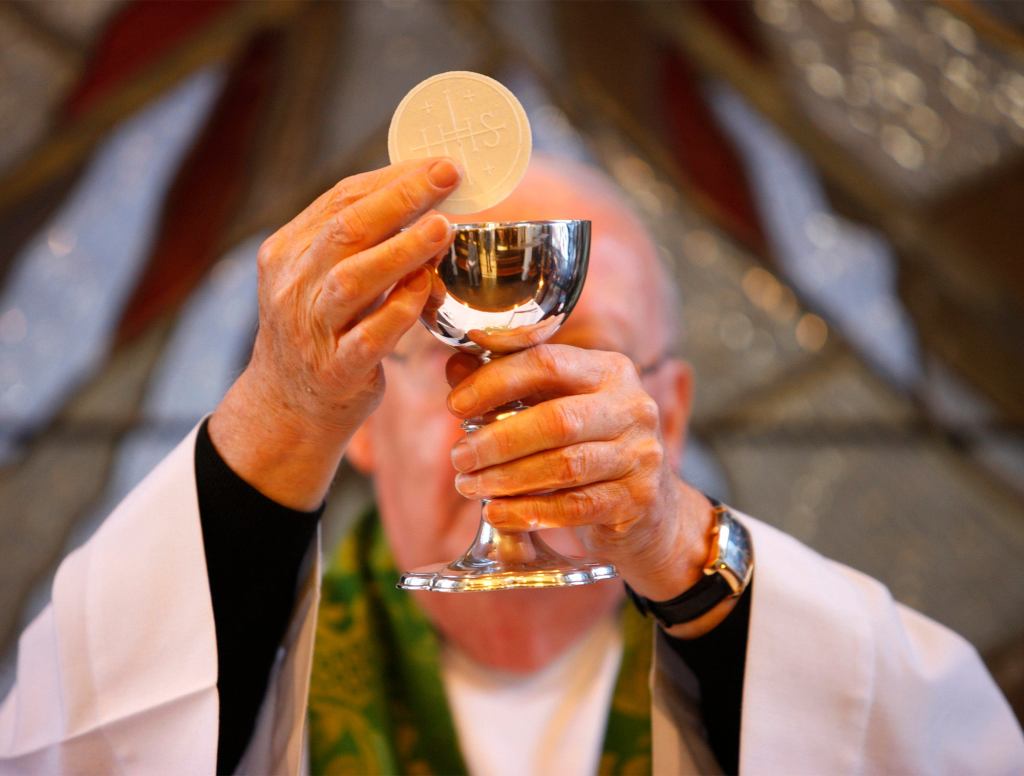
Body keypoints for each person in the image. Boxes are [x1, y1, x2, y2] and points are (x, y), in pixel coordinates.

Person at [0, 156, 1021, 775]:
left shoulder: (770, 656)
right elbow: (80, 746)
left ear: (665, 410)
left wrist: (675, 538)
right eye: (454, 365)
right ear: (358, 413)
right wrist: (276, 413)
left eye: (589, 356)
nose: (520, 399)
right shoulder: (250, 656)